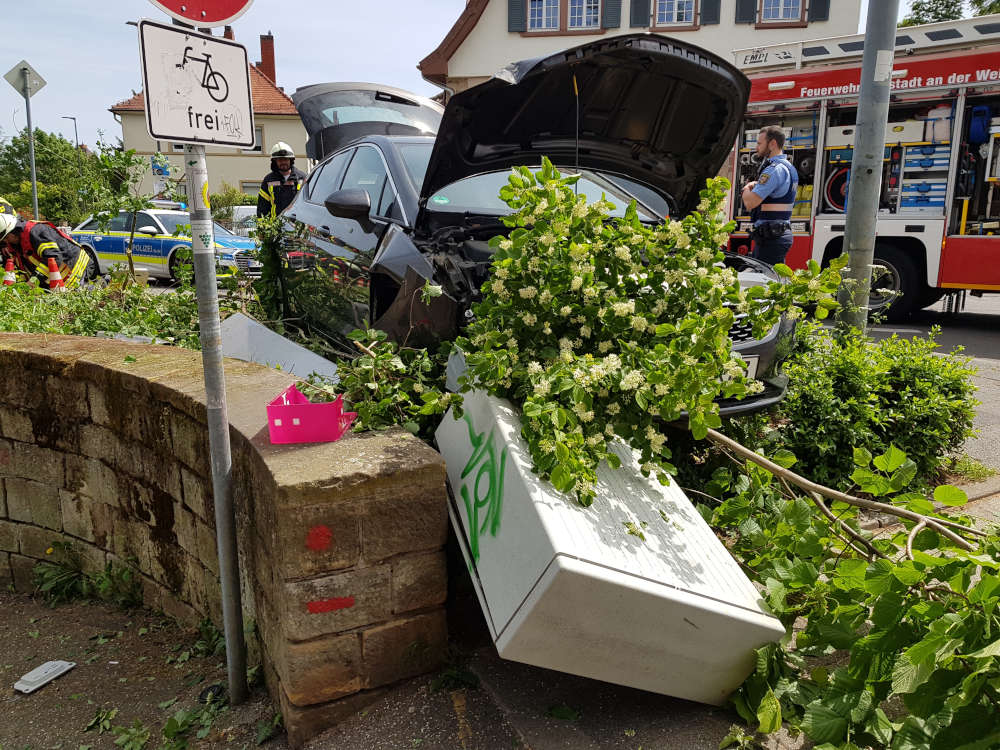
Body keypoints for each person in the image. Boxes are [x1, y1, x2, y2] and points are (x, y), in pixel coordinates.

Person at [740, 126, 799, 266]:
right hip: (776, 234)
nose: (756, 147)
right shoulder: (788, 167)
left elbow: (750, 203)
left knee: (764, 282)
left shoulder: (773, 170)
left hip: (771, 238)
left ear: (772, 144)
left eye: (760, 143)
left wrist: (746, 189)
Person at [0, 199, 91, 289]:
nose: (7, 242)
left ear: (13, 231)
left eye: (6, 238)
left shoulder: (36, 232)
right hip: (56, 273)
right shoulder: (16, 242)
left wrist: (33, 281)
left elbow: (53, 258)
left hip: (74, 265)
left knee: (73, 296)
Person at [256, 142, 306, 218]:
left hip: (298, 227)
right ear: (275, 162)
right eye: (280, 160)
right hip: (276, 227)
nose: (283, 162)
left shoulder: (302, 178)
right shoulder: (268, 180)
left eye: (285, 159)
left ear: (291, 160)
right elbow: (262, 208)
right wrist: (263, 227)